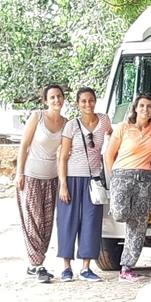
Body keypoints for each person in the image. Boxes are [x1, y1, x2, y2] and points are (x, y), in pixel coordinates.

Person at [104, 93, 151, 282]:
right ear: (135, 108)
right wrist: (112, 180)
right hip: (122, 176)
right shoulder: (123, 128)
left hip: (144, 179)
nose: (145, 109)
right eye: (142, 106)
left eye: (149, 107)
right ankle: (129, 225)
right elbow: (108, 155)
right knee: (119, 214)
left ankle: (126, 267)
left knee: (139, 226)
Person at [57, 87, 113, 282]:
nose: (87, 104)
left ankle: (86, 267)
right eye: (83, 101)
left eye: (91, 100)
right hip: (72, 177)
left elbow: (112, 137)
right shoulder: (72, 125)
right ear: (78, 104)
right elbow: (63, 157)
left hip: (94, 179)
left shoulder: (104, 120)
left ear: (95, 101)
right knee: (68, 220)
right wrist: (63, 184)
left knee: (91, 221)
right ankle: (66, 267)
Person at [15, 84, 66, 284]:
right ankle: (38, 266)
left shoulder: (66, 123)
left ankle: (34, 263)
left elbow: (64, 153)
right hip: (31, 175)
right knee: (32, 220)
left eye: (59, 96)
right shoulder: (37, 117)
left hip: (51, 178)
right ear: (45, 100)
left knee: (45, 224)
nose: (56, 100)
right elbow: (24, 146)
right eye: (52, 97)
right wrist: (19, 173)